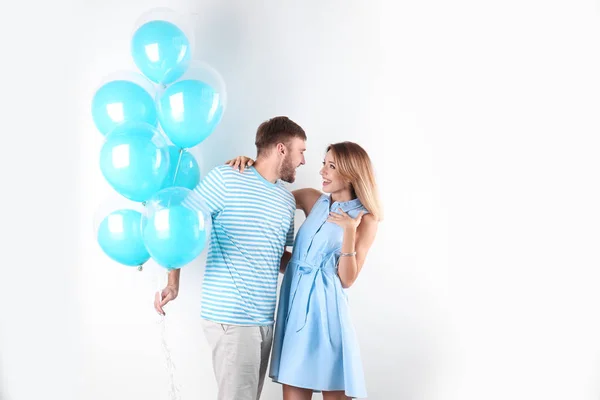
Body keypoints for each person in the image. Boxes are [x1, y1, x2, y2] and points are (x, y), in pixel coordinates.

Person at [154, 116, 307, 400]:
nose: (304, 161)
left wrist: (318, 271)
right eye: (301, 151)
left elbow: (278, 257)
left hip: (264, 320)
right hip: (232, 317)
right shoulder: (226, 178)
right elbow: (180, 226)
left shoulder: (286, 202)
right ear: (282, 149)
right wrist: (173, 283)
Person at [227, 141, 381, 400]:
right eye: (324, 164)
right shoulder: (313, 199)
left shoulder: (365, 218)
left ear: (351, 173)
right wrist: (254, 166)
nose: (322, 171)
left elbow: (346, 279)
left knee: (335, 388)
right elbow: (268, 194)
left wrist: (349, 231)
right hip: (295, 309)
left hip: (327, 313)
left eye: (331, 166)